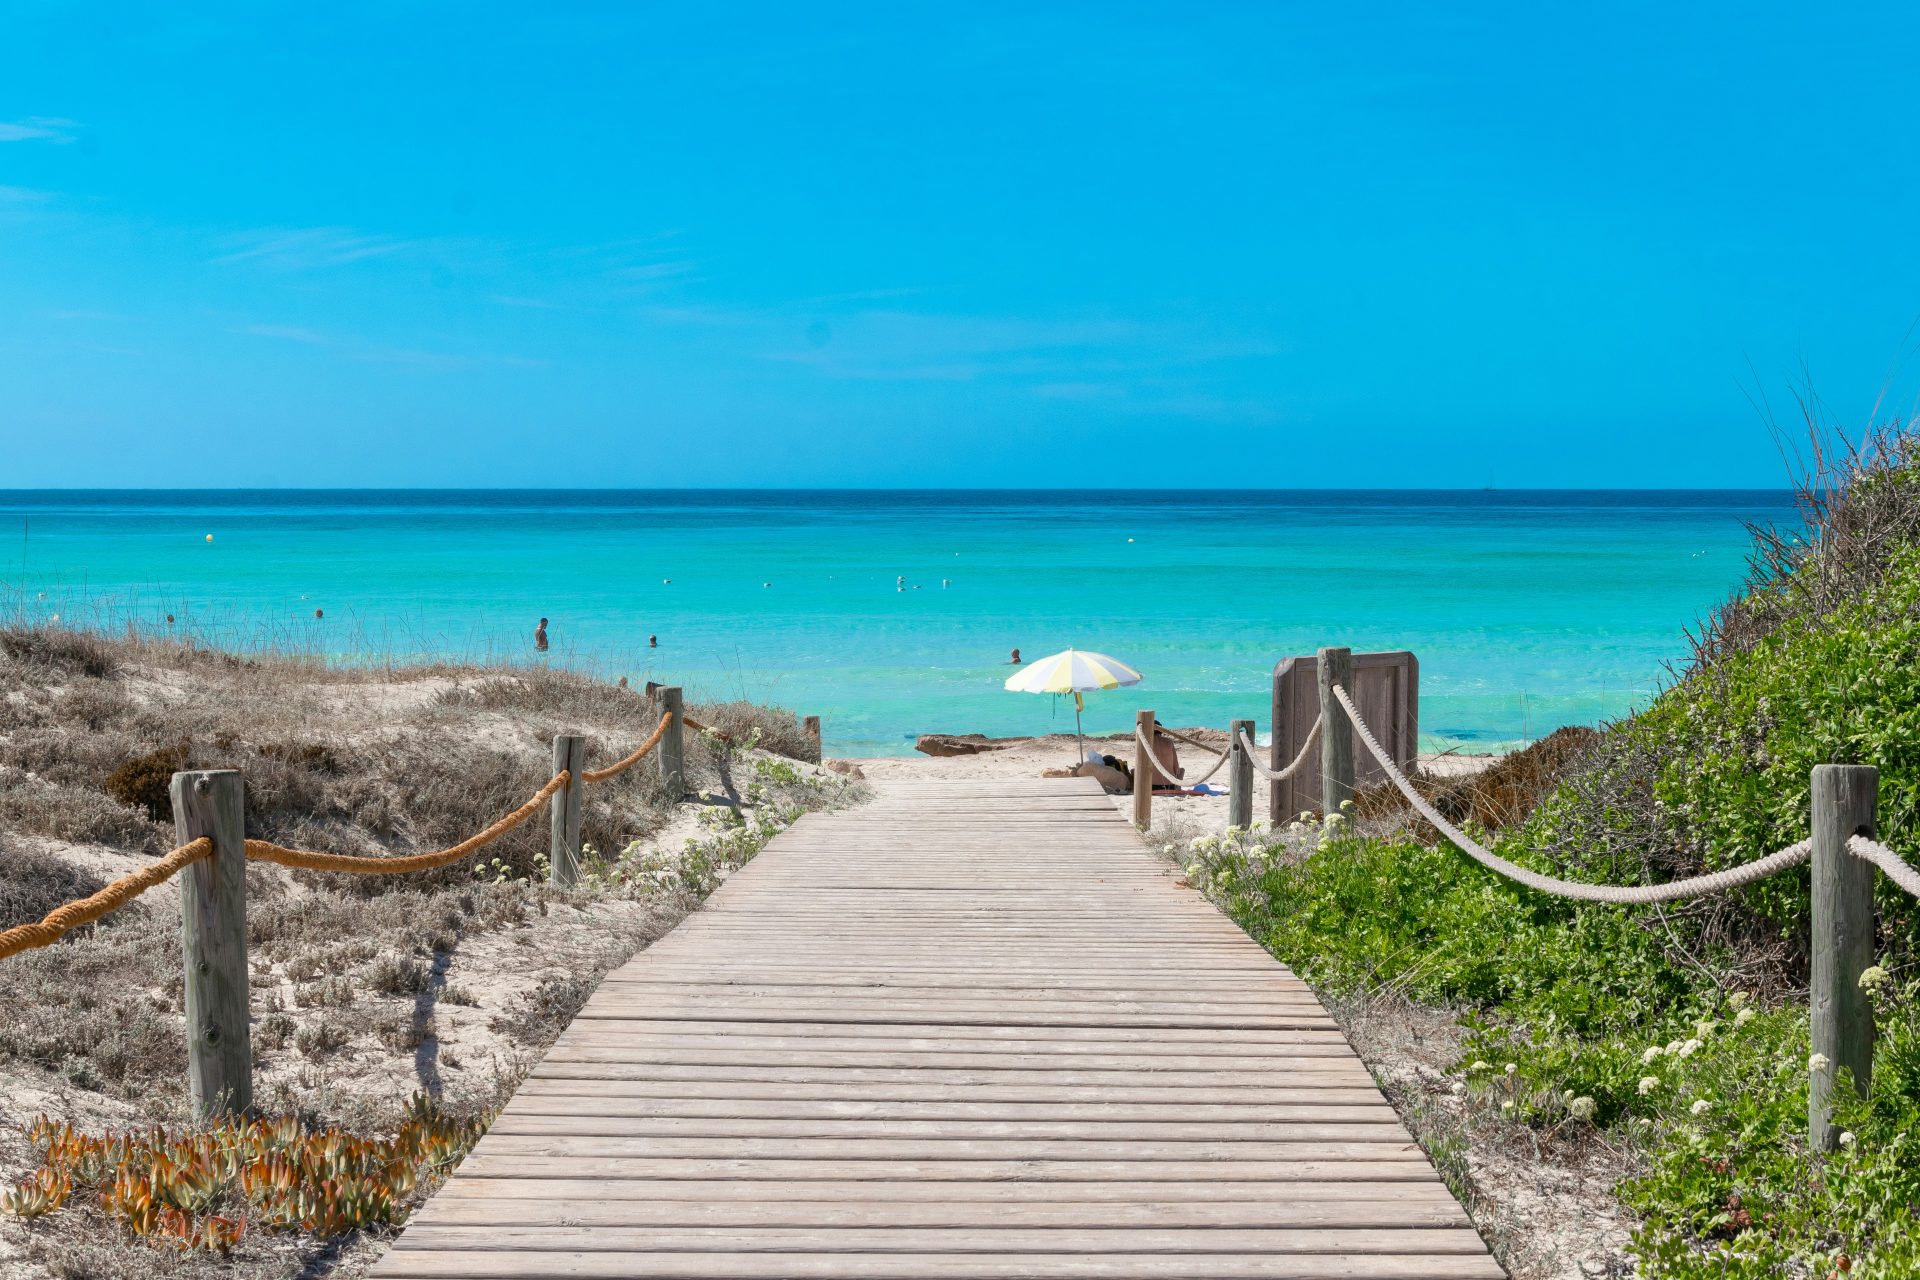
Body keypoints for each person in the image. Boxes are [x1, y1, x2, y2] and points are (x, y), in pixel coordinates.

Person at [1150, 727, 1184, 793]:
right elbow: (1176, 769)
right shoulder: (1169, 742)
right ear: (1161, 730)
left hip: (1150, 786)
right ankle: (1178, 787)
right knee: (1182, 770)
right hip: (1170, 785)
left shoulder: (1146, 743)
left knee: (1133, 770)